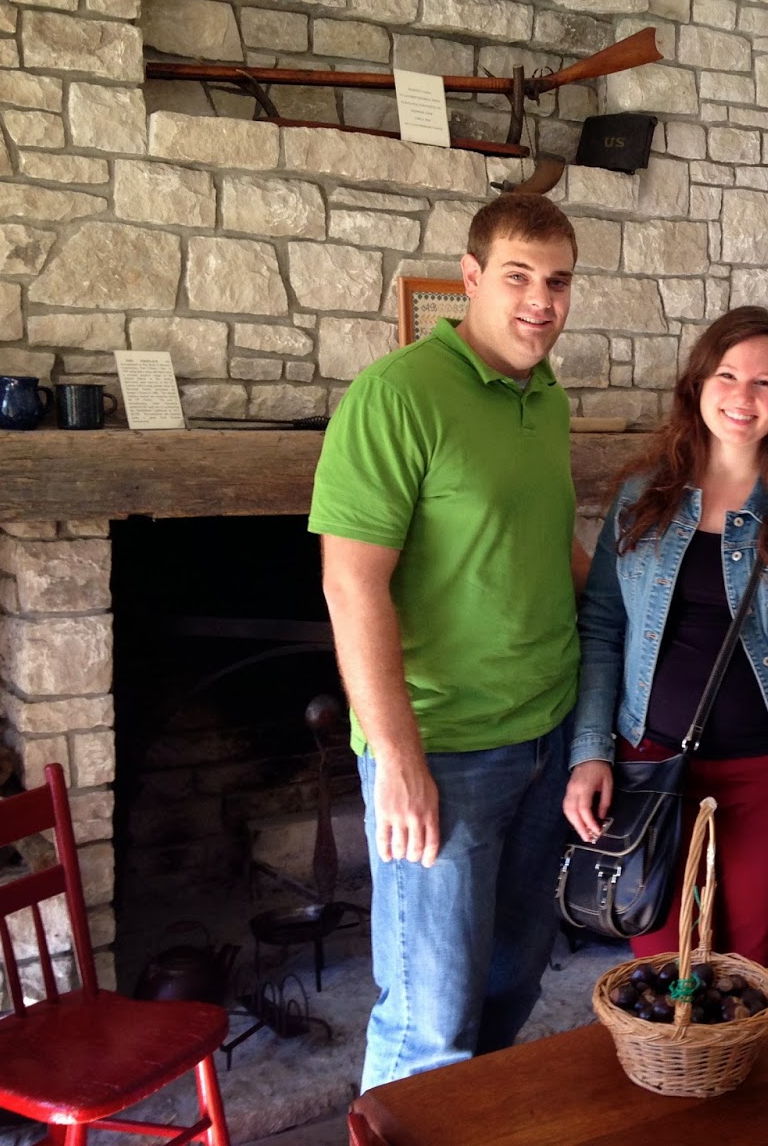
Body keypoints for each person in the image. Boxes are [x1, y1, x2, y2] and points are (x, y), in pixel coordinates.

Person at [308, 193, 581, 1089]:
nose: (540, 301)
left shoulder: (546, 396)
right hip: (445, 754)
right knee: (430, 1025)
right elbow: (351, 584)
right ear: (469, 278)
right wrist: (398, 760)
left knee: (509, 988)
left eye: (557, 282)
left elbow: (553, 550)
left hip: (545, 741)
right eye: (518, 277)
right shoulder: (395, 396)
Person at [563, 306, 768, 968]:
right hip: (649, 767)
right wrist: (590, 752)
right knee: (657, 962)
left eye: (765, 383)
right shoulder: (642, 497)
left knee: (746, 970)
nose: (742, 396)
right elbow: (602, 629)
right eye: (728, 375)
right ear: (699, 383)